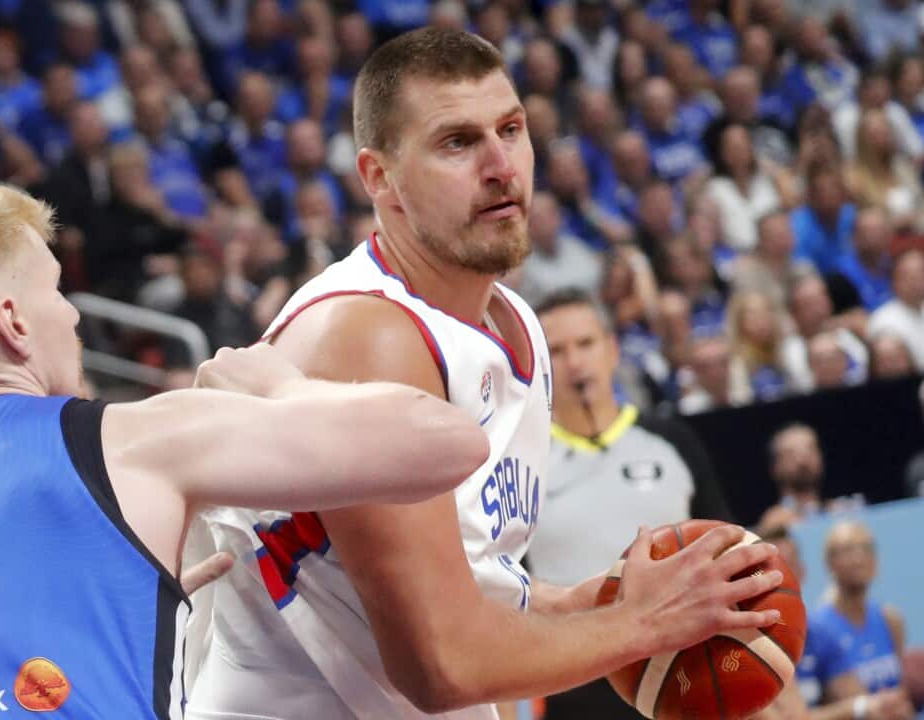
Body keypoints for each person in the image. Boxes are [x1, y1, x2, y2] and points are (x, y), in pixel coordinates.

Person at [187, 28, 783, 720]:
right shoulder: (370, 338)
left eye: (511, 129)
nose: (502, 165)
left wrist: (623, 597)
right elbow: (441, 662)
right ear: (380, 179)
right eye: (458, 143)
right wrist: (647, 625)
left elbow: (485, 592)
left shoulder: (513, 323)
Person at [0, 183, 491, 719]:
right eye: (58, 290)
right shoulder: (120, 439)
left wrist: (124, 596)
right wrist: (285, 387)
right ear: (14, 323)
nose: (74, 313)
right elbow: (447, 443)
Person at [525, 288, 734, 720]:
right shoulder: (522, 460)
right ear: (540, 365)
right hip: (573, 688)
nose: (575, 362)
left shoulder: (671, 441)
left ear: (612, 350)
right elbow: (506, 589)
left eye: (585, 344)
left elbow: (726, 548)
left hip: (684, 676)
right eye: (557, 351)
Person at [804, 522, 914, 720]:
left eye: (866, 548)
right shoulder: (818, 628)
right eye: (848, 550)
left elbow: (900, 691)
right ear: (830, 562)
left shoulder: (891, 620)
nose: (858, 558)